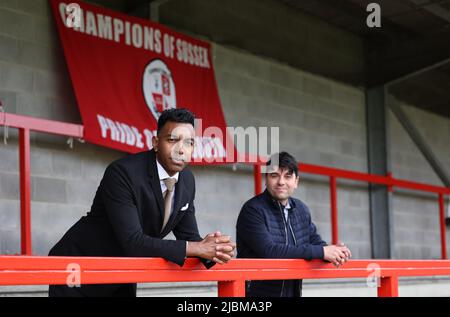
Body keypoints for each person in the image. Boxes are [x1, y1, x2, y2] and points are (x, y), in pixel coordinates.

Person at [49, 108, 235, 297]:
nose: (181, 149)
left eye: (189, 143)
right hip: (79, 268)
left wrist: (217, 250)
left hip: (123, 273)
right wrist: (197, 248)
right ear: (156, 143)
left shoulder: (187, 181)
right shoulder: (123, 173)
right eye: (172, 140)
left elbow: (189, 236)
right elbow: (133, 241)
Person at [236, 151, 351, 297]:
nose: (281, 182)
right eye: (274, 175)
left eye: (288, 176)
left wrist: (334, 251)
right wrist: (322, 251)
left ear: (296, 181)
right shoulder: (253, 210)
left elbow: (314, 242)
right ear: (266, 178)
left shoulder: (301, 209)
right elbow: (269, 251)